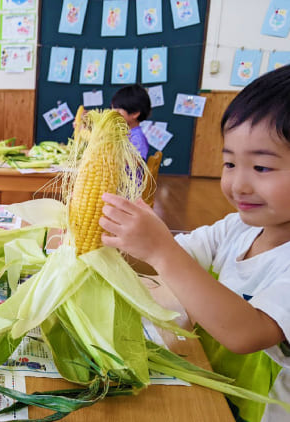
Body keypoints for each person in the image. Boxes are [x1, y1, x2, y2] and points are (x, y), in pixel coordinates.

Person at [99, 65, 290, 422]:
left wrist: (159, 249)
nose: (238, 184)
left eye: (261, 168)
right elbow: (178, 256)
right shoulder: (237, 228)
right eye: (230, 163)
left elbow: (246, 332)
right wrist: (112, 242)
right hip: (211, 386)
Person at [111, 84, 151, 160]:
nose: (112, 113)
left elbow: (138, 163)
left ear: (135, 113)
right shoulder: (120, 132)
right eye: (112, 108)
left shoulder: (137, 137)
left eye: (118, 110)